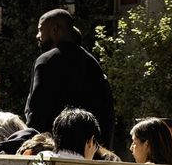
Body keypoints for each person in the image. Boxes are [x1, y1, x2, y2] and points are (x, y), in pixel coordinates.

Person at [24, 9, 114, 148]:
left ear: (55, 29)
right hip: (90, 149)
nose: (37, 36)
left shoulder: (46, 61)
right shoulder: (91, 63)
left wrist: (32, 144)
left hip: (55, 148)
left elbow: (37, 111)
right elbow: (105, 111)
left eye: (40, 30)